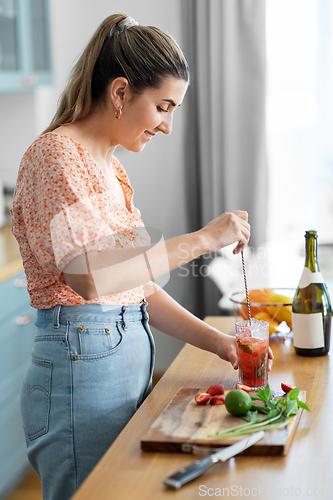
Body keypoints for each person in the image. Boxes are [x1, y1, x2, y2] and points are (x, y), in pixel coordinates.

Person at [11, 13, 271, 500]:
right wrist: (202, 238)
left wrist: (221, 344)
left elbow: (138, 288)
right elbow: (91, 281)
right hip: (78, 373)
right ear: (120, 92)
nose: (168, 126)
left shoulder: (112, 170)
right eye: (163, 107)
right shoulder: (56, 156)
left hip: (119, 363)